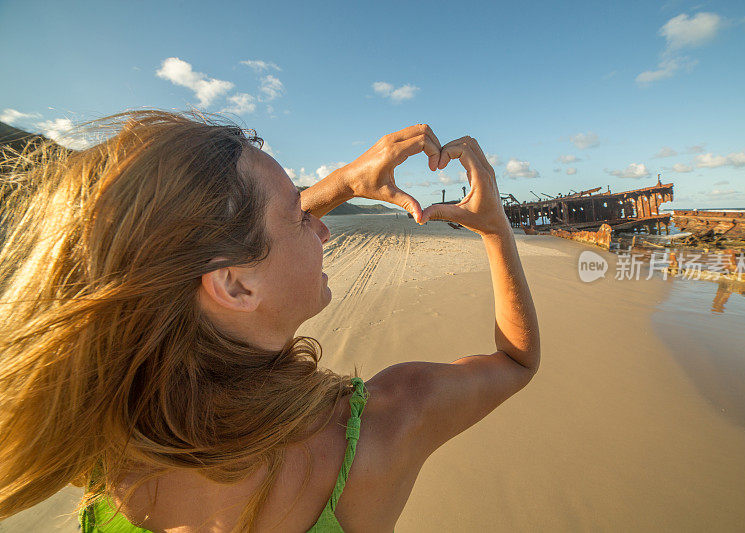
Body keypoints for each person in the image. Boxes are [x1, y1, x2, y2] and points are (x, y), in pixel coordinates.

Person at [0, 110, 539, 532]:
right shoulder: (386, 423)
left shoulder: (94, 424)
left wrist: (342, 185)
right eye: (300, 215)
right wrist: (496, 228)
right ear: (234, 285)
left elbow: (227, 250)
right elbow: (516, 360)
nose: (322, 229)